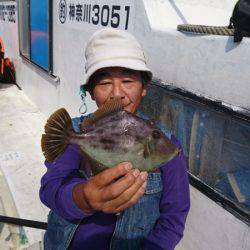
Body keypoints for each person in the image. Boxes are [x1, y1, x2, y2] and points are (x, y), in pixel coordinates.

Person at [40, 28, 190, 250]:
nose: (117, 93)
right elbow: (50, 189)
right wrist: (84, 198)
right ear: (91, 92)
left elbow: (174, 216)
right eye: (104, 83)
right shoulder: (74, 130)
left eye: (128, 80)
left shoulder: (168, 144)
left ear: (144, 88)